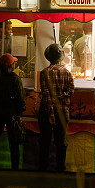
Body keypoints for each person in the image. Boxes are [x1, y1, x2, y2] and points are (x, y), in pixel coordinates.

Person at [0, 53, 26, 170]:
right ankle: (14, 169)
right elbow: (20, 99)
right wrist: (19, 114)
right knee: (13, 143)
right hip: (11, 114)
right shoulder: (15, 80)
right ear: (11, 66)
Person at [38, 44, 74, 172]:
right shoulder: (67, 73)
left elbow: (47, 96)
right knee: (61, 141)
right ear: (60, 57)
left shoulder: (44, 73)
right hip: (63, 111)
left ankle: (43, 168)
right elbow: (71, 90)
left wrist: (51, 114)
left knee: (45, 141)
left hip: (47, 112)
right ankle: (61, 168)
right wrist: (61, 97)